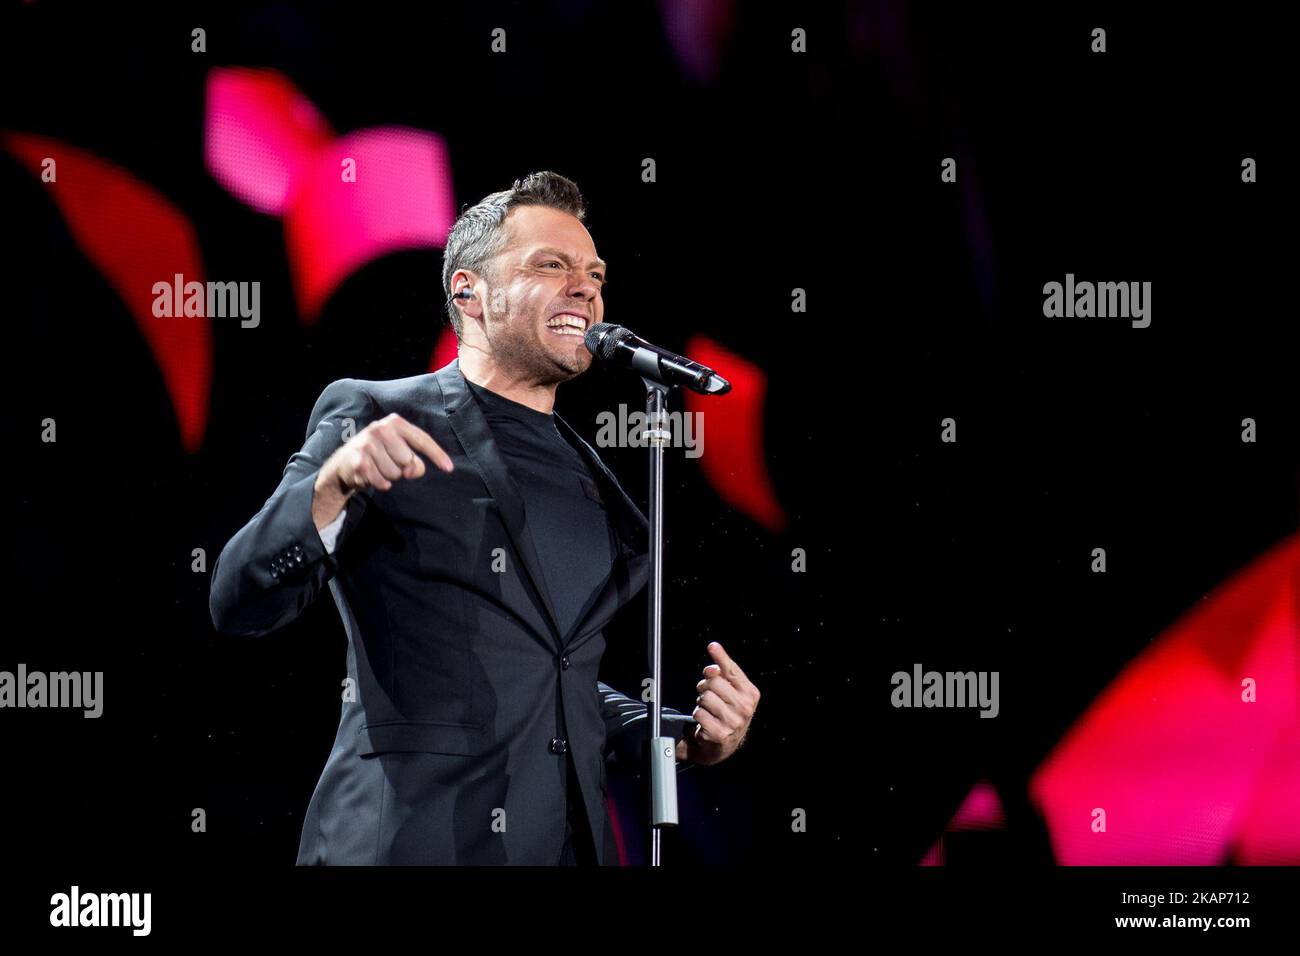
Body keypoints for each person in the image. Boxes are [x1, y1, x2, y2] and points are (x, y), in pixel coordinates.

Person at [209, 171, 760, 865]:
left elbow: (561, 684)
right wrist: (330, 487)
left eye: (594, 273)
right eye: (550, 265)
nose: (585, 287)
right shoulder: (379, 414)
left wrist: (679, 735)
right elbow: (238, 597)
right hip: (413, 843)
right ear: (469, 291)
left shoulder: (597, 486)